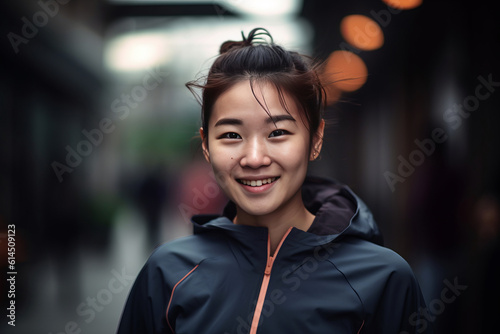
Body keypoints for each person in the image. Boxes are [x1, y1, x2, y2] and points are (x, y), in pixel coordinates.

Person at [117, 28, 431, 334]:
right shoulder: (167, 274)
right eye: (231, 135)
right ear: (205, 144)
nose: (254, 158)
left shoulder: (384, 279)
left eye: (278, 133)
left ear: (316, 138)